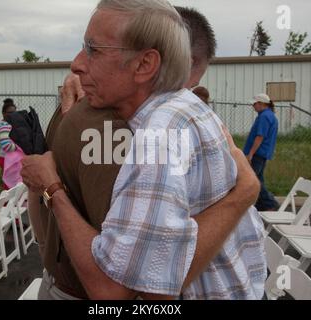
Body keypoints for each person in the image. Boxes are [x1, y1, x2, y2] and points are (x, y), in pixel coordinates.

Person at [23, 2, 265, 300]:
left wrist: (51, 188)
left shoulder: (157, 140)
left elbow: (112, 294)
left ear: (144, 65)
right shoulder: (188, 109)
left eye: (93, 50)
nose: (75, 64)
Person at [243, 93, 279, 211]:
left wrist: (250, 153)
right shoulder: (270, 115)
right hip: (263, 153)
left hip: (258, 153)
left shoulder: (264, 116)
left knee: (254, 180)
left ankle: (270, 203)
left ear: (261, 104)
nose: (253, 106)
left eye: (254, 104)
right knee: (259, 178)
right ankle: (261, 204)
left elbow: (260, 136)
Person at [0, 98, 17, 190]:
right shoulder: (4, 125)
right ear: (4, 113)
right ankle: (6, 203)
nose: (13, 115)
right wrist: (18, 147)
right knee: (9, 184)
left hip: (8, 157)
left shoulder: (9, 123)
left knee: (9, 182)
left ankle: (8, 201)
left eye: (14, 112)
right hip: (6, 157)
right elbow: (6, 146)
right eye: (10, 112)